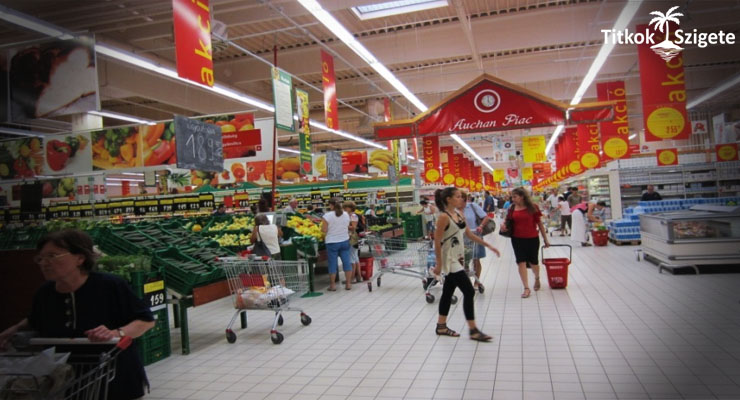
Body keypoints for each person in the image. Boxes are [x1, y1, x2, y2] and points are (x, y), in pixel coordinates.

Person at [0, 230, 155, 400]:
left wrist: (116, 333)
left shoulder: (110, 285)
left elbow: (145, 320)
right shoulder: (44, 293)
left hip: (114, 376)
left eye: (52, 256)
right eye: (40, 258)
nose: (44, 263)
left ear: (80, 258)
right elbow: (35, 320)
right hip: (64, 380)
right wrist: (13, 331)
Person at [432, 187, 500, 342]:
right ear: (448, 199)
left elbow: (469, 234)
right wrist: (438, 264)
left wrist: (489, 246)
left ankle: (441, 326)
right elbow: (437, 241)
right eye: (457, 196)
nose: (461, 199)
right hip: (449, 259)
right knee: (469, 291)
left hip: (458, 257)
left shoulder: (459, 214)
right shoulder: (443, 217)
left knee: (448, 292)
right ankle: (473, 330)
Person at [499, 187, 550, 298]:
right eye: (512, 197)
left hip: (532, 238)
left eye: (515, 197)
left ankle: (537, 278)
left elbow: (540, 224)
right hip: (517, 239)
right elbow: (507, 221)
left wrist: (545, 239)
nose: (512, 199)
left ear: (522, 197)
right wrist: (503, 226)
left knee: (533, 262)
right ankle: (526, 288)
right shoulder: (512, 208)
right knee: (520, 262)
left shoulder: (533, 207)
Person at [321, 198, 352, 291]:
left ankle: (333, 285)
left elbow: (324, 230)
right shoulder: (346, 214)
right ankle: (348, 284)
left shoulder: (327, 216)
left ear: (331, 205)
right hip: (344, 241)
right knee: (347, 262)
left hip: (332, 242)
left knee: (332, 264)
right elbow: (347, 226)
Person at [463, 192, 491, 291]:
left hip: (475, 235)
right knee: (464, 261)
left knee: (476, 259)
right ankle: (466, 282)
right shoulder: (454, 209)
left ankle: (476, 281)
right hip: (461, 237)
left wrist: (481, 226)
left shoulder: (472, 206)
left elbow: (485, 217)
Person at [343, 201, 362, 284]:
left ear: (350, 208)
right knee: (355, 258)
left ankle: (352, 278)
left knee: (351, 258)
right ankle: (359, 277)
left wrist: (343, 225)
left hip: (352, 238)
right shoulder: (350, 215)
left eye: (345, 207)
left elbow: (353, 227)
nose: (344, 209)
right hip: (353, 238)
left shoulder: (353, 216)